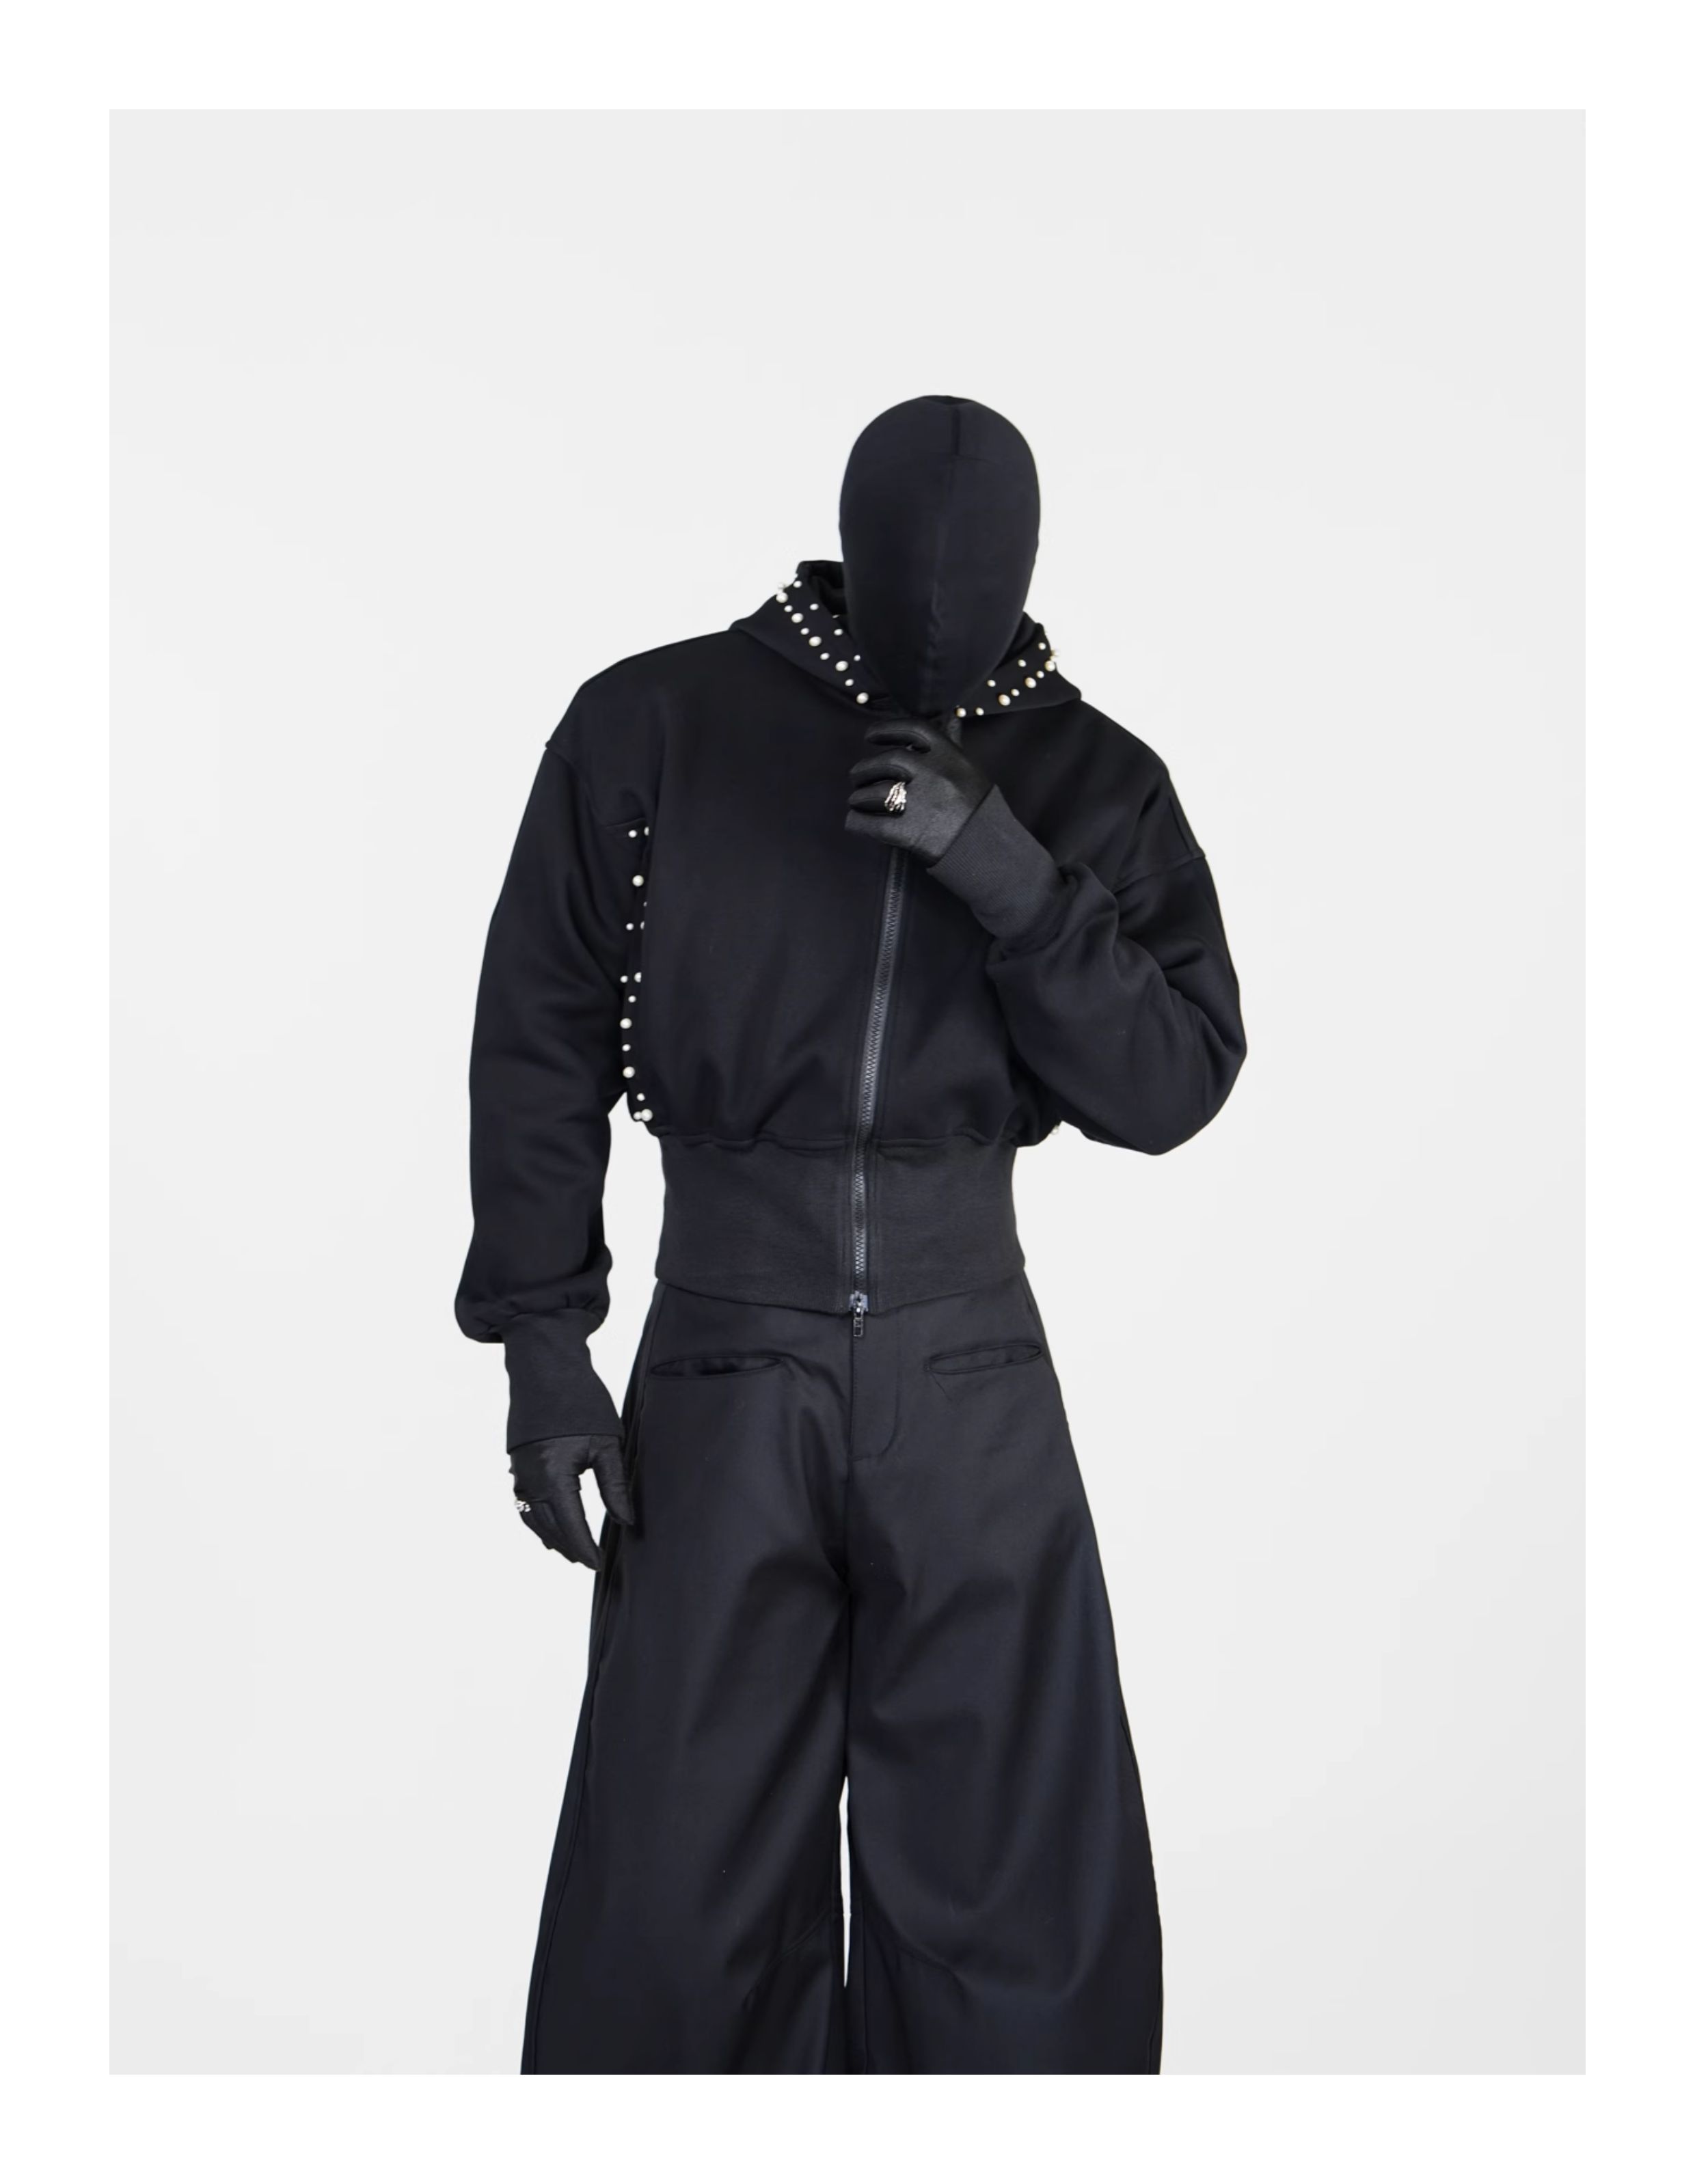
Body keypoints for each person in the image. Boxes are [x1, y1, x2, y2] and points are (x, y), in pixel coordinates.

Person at [457, 394, 1246, 2073]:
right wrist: (541, 1342)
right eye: (913, 556)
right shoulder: (656, 725)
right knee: (675, 1896)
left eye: (984, 564)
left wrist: (1005, 868)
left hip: (972, 1380)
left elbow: (1173, 1081)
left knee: (1012, 1903)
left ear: (1030, 562)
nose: (946, 595)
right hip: (722, 1365)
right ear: (851, 541)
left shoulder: (1095, 782)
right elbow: (538, 1030)